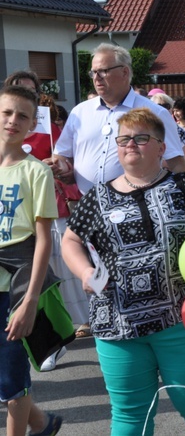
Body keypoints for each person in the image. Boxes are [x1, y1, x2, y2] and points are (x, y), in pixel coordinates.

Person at [61, 108, 185, 435]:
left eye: (141, 138)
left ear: (161, 147)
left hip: (182, 318)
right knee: (129, 413)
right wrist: (85, 272)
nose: (130, 145)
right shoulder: (97, 197)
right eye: (123, 139)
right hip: (116, 321)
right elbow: (70, 240)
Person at [0, 85, 63, 436]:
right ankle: (41, 423)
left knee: (12, 380)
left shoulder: (36, 172)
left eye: (22, 116)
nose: (13, 121)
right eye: (7, 112)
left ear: (32, 125)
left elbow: (43, 242)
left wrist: (30, 300)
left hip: (14, 291)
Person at [49, 43, 185, 195]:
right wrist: (62, 167)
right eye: (93, 72)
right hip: (89, 205)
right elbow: (61, 154)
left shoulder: (155, 113)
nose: (96, 78)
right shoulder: (80, 112)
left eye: (103, 71)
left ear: (124, 72)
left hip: (137, 205)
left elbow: (177, 165)